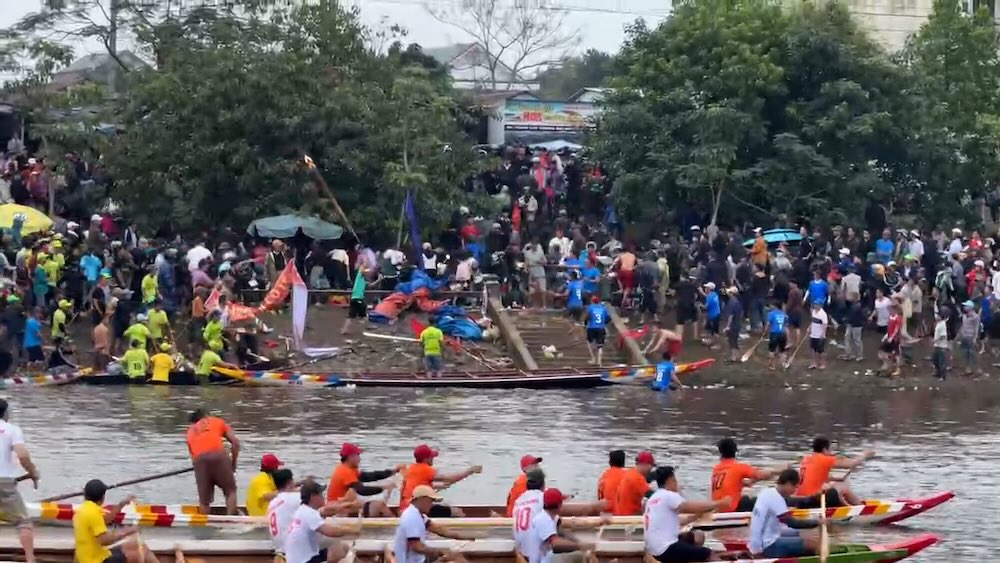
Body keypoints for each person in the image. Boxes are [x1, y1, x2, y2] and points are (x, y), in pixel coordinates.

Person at [645, 466, 731, 563]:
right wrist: (720, 503)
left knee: (698, 536)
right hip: (666, 549)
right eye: (675, 480)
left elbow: (675, 521)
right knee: (708, 553)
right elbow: (689, 507)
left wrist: (696, 516)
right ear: (670, 480)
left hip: (654, 549)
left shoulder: (653, 498)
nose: (677, 483)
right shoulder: (669, 495)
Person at [73, 479, 158, 563]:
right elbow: (104, 541)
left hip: (87, 557)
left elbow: (105, 520)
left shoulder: (82, 510)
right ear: (103, 497)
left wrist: (121, 504)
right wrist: (125, 532)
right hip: (98, 560)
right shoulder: (93, 513)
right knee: (140, 548)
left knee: (133, 547)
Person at [749, 469, 826, 558]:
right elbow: (792, 523)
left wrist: (814, 498)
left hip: (757, 542)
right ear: (788, 484)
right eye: (795, 487)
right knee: (812, 545)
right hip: (767, 546)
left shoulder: (767, 492)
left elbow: (796, 502)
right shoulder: (776, 498)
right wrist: (817, 522)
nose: (795, 491)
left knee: (802, 534)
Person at [521, 486, 608, 563]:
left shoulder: (552, 517)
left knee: (583, 553)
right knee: (580, 556)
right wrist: (579, 546)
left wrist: (580, 543)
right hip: (542, 560)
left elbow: (563, 532)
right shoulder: (542, 519)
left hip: (548, 557)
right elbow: (555, 544)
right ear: (559, 505)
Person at [393, 485, 478, 563]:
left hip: (420, 559)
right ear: (422, 499)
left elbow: (441, 530)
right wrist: (440, 552)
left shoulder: (420, 515)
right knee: (456, 559)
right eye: (431, 501)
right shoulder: (411, 517)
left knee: (455, 555)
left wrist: (470, 536)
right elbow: (417, 547)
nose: (432, 505)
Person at [283, 481, 359, 563]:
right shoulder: (309, 513)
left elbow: (327, 511)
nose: (323, 496)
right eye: (320, 494)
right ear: (312, 496)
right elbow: (330, 532)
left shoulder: (302, 510)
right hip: (304, 560)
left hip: (298, 558)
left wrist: (344, 506)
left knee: (341, 548)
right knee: (339, 548)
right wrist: (351, 530)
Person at [0, 399, 38, 562]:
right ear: (6, 413)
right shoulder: (12, 430)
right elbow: (22, 455)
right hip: (4, 482)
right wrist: (33, 471)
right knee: (23, 522)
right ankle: (30, 560)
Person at [399, 444, 481, 516]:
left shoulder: (411, 468)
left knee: (444, 506)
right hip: (416, 509)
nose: (433, 458)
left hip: (404, 508)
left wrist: (437, 486)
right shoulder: (425, 469)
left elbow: (416, 487)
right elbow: (449, 479)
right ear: (425, 458)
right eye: (431, 457)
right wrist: (470, 471)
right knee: (458, 512)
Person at [186, 408, 240, 515]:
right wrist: (233, 464)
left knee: (204, 501)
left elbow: (194, 459)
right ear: (206, 415)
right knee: (230, 491)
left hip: (199, 460)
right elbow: (235, 444)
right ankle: (231, 520)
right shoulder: (217, 421)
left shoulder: (189, 431)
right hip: (218, 456)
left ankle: (205, 524)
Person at [326, 442, 403, 517]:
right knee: (379, 505)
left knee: (377, 504)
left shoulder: (350, 469)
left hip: (346, 504)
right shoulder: (345, 471)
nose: (359, 459)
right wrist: (383, 488)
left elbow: (369, 476)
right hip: (337, 507)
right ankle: (397, 526)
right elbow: (362, 490)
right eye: (358, 455)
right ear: (350, 457)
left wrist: (392, 472)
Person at [795, 437, 875, 508]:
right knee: (843, 486)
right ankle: (861, 508)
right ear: (824, 449)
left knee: (836, 485)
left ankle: (846, 507)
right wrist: (865, 455)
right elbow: (851, 464)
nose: (831, 452)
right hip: (814, 499)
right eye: (830, 449)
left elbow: (818, 477)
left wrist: (839, 478)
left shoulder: (806, 458)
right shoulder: (825, 459)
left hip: (800, 499)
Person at [710, 438, 785, 512]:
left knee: (744, 498)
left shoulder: (716, 469)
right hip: (731, 510)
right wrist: (778, 471)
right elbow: (762, 475)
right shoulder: (739, 467)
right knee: (753, 499)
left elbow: (732, 483)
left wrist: (751, 481)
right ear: (735, 452)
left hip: (717, 509)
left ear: (720, 452)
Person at [614, 450, 655, 516]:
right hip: (629, 518)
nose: (651, 469)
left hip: (620, 513)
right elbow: (654, 497)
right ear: (644, 464)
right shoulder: (637, 478)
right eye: (651, 466)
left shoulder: (630, 472)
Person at [596, 449, 626, 514]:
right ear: (623, 463)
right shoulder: (629, 476)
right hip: (625, 514)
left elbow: (599, 497)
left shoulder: (604, 476)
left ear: (610, 462)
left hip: (608, 514)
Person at [342, 265, 369, 335]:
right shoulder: (359, 276)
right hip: (358, 299)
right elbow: (362, 270)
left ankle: (345, 329)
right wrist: (368, 268)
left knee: (352, 316)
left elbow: (371, 285)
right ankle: (362, 326)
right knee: (363, 316)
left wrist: (379, 279)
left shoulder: (363, 281)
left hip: (355, 299)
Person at [584, 296, 609, 366]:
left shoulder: (590, 307)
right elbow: (607, 318)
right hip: (601, 328)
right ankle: (599, 362)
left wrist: (585, 324)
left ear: (592, 301)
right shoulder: (603, 308)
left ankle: (593, 358)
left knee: (589, 342)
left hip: (591, 327)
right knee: (600, 346)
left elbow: (587, 317)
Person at [765, 301, 788, 371]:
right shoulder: (783, 314)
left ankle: (772, 365)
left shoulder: (771, 314)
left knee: (771, 350)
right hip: (783, 334)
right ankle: (783, 365)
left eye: (771, 305)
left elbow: (768, 324)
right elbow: (786, 324)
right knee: (782, 350)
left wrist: (765, 332)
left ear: (775, 306)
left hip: (774, 334)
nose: (769, 307)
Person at [807, 301, 828, 370]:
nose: (815, 305)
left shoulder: (823, 314)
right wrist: (809, 327)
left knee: (821, 351)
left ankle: (823, 364)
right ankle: (814, 363)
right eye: (814, 304)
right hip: (813, 334)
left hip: (819, 335)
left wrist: (823, 334)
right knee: (813, 349)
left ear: (820, 305)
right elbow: (812, 321)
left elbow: (825, 325)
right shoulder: (813, 312)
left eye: (816, 304)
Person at [702, 282, 721, 348]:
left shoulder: (709, 296)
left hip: (713, 315)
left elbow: (706, 307)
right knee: (712, 330)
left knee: (714, 332)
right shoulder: (715, 294)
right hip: (717, 314)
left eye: (706, 288)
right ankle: (711, 341)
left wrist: (699, 305)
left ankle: (717, 345)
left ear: (709, 289)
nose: (705, 289)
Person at [932, 310, 949, 381]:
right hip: (937, 345)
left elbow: (943, 336)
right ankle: (938, 373)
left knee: (941, 362)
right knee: (935, 360)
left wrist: (936, 340)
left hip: (941, 346)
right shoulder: (938, 323)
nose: (936, 316)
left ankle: (942, 376)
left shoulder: (942, 324)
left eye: (937, 315)